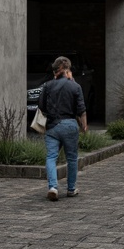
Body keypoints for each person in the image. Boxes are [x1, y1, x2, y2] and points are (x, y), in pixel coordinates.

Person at [37, 55, 87, 200]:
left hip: (52, 126)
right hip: (70, 125)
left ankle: (53, 187)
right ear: (67, 69)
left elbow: (41, 106)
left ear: (56, 70)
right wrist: (84, 125)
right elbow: (81, 109)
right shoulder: (75, 86)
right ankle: (71, 189)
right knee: (71, 158)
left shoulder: (47, 85)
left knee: (51, 157)